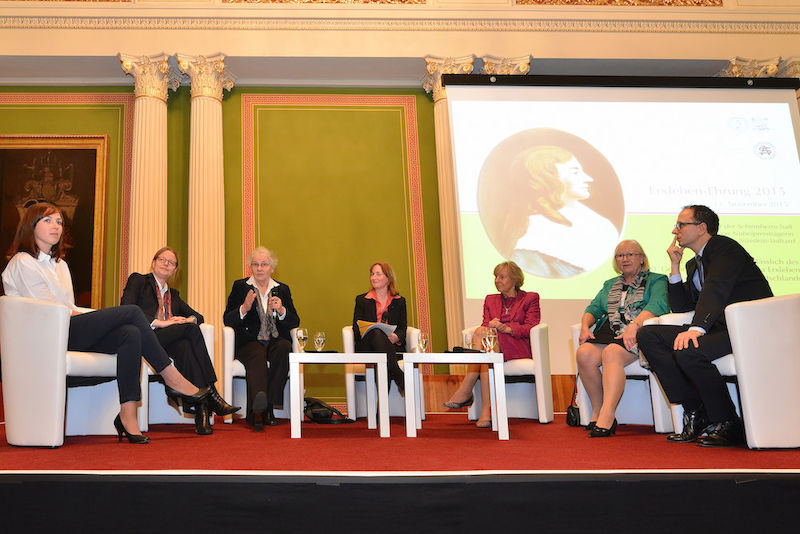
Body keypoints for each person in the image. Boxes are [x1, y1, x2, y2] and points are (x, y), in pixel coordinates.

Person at [2, 202, 209, 444]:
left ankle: (128, 415)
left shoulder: (60, 265)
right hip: (46, 335)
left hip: (66, 328)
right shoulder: (22, 261)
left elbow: (69, 307)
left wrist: (85, 317)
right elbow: (46, 312)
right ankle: (171, 377)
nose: (56, 227)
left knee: (131, 333)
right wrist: (86, 318)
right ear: (31, 225)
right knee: (131, 312)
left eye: (59, 222)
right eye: (48, 221)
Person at [637, 205, 773, 447]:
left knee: (690, 349)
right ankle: (696, 411)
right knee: (648, 335)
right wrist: (675, 268)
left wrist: (696, 329)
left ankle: (728, 423)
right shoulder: (693, 264)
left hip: (749, 327)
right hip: (721, 329)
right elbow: (682, 307)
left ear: (702, 228)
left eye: (680, 225)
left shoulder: (724, 248)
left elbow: (716, 289)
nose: (674, 230)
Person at [120, 247, 240, 435]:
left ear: (175, 270)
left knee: (186, 346)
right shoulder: (139, 280)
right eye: (162, 259)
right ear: (153, 262)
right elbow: (127, 307)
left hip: (167, 342)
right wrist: (160, 322)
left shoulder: (173, 295)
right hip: (145, 337)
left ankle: (203, 410)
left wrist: (187, 319)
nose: (166, 264)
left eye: (171, 262)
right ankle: (213, 395)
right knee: (189, 333)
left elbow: (198, 317)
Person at [576, 240, 669, 437]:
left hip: (639, 333)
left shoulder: (657, 280)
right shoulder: (610, 284)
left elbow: (658, 306)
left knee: (611, 352)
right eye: (620, 255)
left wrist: (634, 326)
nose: (624, 259)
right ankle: (597, 410)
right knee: (583, 354)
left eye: (630, 254)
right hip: (609, 333)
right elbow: (593, 308)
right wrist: (585, 326)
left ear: (642, 259)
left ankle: (607, 417)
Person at [443, 261, 540, 427]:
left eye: (502, 277)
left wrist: (507, 328)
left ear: (515, 279)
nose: (497, 280)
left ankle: (469, 392)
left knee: (487, 341)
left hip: (517, 345)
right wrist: (492, 327)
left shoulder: (530, 298)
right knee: (483, 335)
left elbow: (531, 326)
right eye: (495, 277)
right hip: (494, 345)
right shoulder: (490, 300)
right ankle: (485, 408)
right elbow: (485, 324)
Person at [504, 146, 620, 277]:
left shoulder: (594, 220)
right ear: (549, 178)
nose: (588, 178)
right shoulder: (534, 233)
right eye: (575, 172)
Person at [223, 247, 299, 430]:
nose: (259, 268)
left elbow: (294, 320)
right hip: (249, 341)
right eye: (255, 264)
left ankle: (267, 407)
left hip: (274, 340)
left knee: (284, 348)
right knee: (257, 354)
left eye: (264, 264)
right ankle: (258, 411)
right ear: (250, 267)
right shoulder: (240, 287)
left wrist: (281, 310)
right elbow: (227, 319)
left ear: (271, 268)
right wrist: (244, 307)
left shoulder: (282, 289)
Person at [351, 262, 407, 395]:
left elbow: (402, 327)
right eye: (372, 274)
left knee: (384, 357)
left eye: (378, 274)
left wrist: (395, 337)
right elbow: (356, 327)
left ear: (388, 278)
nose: (373, 277)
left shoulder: (399, 301)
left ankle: (380, 413)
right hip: (367, 346)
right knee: (376, 332)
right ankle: (400, 377)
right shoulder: (362, 300)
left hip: (391, 346)